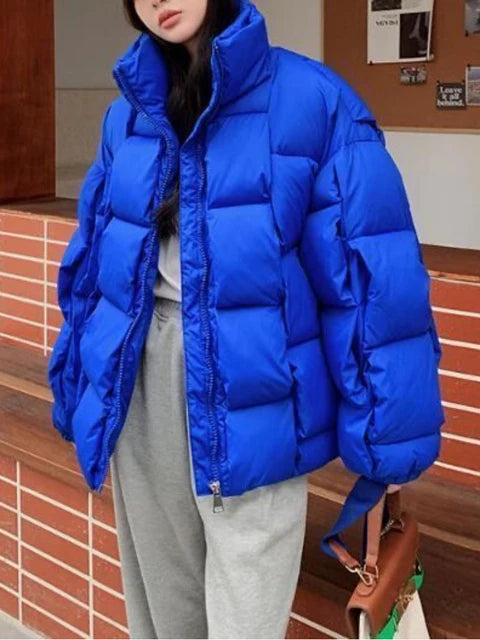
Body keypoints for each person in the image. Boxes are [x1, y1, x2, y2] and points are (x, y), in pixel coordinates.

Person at [47, 0, 445, 638]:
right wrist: (77, 385)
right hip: (145, 383)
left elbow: (372, 278)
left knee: (245, 616)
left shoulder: (312, 100)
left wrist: (387, 433)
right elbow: (95, 266)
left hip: (258, 388)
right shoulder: (127, 114)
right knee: (166, 616)